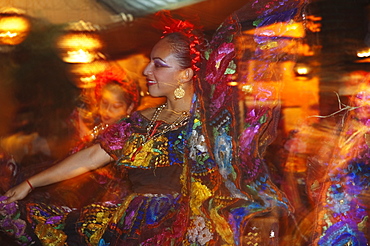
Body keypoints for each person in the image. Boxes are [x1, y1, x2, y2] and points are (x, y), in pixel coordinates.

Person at [0, 1, 306, 245]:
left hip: (186, 231)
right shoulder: (141, 120)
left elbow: (239, 178)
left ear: (186, 75)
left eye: (158, 65)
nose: (147, 70)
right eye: (150, 62)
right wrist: (30, 183)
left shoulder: (211, 127)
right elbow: (93, 155)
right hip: (130, 226)